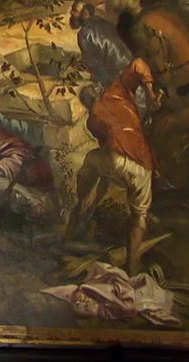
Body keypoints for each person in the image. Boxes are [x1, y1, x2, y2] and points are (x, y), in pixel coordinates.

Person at [70, 60, 162, 273]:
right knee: (139, 214)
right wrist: (150, 92)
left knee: (91, 161)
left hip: (114, 160)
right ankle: (132, 262)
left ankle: (82, 204)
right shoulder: (114, 91)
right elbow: (138, 64)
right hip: (142, 165)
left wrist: (97, 195)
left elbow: (110, 156)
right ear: (98, 90)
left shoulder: (92, 121)